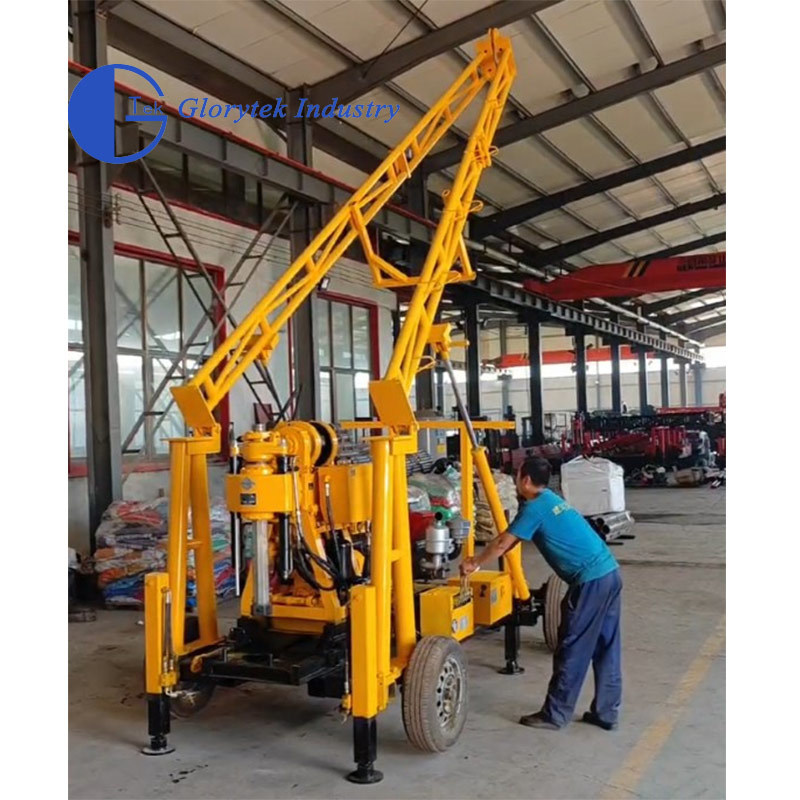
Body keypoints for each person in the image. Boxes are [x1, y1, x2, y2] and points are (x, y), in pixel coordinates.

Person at [460, 456, 622, 731]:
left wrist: (474, 562)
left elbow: (502, 544)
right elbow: (511, 540)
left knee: (572, 648)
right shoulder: (550, 499)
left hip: (591, 582)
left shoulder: (534, 508)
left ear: (525, 480)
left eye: (516, 475)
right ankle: (607, 713)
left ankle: (555, 714)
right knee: (607, 647)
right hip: (610, 574)